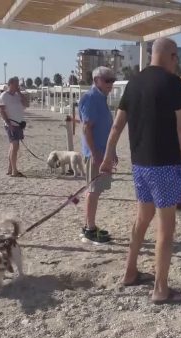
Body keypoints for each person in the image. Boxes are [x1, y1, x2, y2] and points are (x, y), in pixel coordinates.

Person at [100, 38, 181, 304]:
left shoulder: (134, 82)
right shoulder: (173, 83)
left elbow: (117, 126)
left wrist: (108, 157)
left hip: (140, 165)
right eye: (176, 59)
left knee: (142, 220)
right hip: (165, 165)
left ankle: (130, 272)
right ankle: (161, 288)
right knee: (166, 228)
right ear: (172, 56)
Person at [78, 66, 116, 244]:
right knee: (93, 191)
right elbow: (87, 129)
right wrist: (96, 154)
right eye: (107, 79)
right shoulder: (91, 98)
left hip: (102, 152)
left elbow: (105, 128)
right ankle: (89, 229)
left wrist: (111, 152)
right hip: (96, 154)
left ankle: (89, 225)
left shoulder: (100, 98)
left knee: (95, 191)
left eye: (112, 79)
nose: (111, 83)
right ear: (96, 81)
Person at [0, 77, 29, 177]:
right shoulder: (4, 96)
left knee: (13, 146)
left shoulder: (17, 95)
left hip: (19, 124)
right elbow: (2, 110)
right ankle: (14, 171)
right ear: (10, 84)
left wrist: (20, 93)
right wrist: (9, 123)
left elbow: (26, 104)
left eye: (18, 84)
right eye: (16, 84)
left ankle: (10, 168)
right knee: (15, 145)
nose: (17, 86)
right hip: (11, 124)